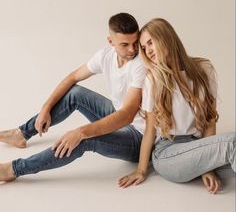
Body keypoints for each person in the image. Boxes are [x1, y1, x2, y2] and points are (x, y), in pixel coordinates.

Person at [0, 12, 147, 182]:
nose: (132, 49)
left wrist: (80, 132)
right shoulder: (106, 55)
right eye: (125, 44)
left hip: (138, 139)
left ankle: (13, 170)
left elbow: (127, 114)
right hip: (118, 115)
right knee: (75, 94)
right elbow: (73, 77)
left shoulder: (140, 65)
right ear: (110, 41)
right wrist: (45, 108)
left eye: (135, 43)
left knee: (83, 139)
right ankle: (21, 134)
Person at [118, 18, 235, 194]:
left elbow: (210, 118)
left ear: (166, 38)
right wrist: (141, 170)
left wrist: (207, 165)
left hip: (198, 146)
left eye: (150, 43)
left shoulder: (204, 69)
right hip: (168, 154)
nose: (147, 51)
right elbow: (150, 129)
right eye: (143, 48)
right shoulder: (153, 80)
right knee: (232, 143)